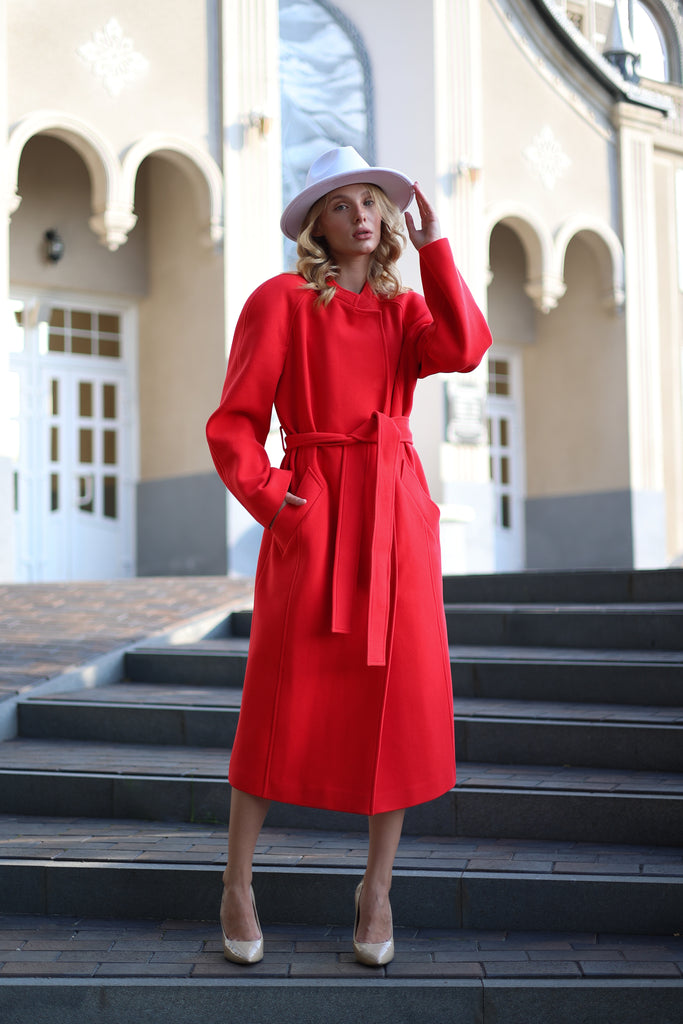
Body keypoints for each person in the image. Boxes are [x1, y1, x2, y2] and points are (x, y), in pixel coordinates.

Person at [206, 146, 492, 967]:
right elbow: (232, 423)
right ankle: (235, 882)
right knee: (275, 700)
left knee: (395, 705)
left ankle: (376, 891)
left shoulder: (405, 315)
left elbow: (467, 347)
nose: (362, 215)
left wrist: (438, 248)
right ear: (317, 226)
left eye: (373, 202)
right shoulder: (281, 302)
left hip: (396, 516)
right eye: (342, 205)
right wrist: (274, 498)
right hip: (316, 509)